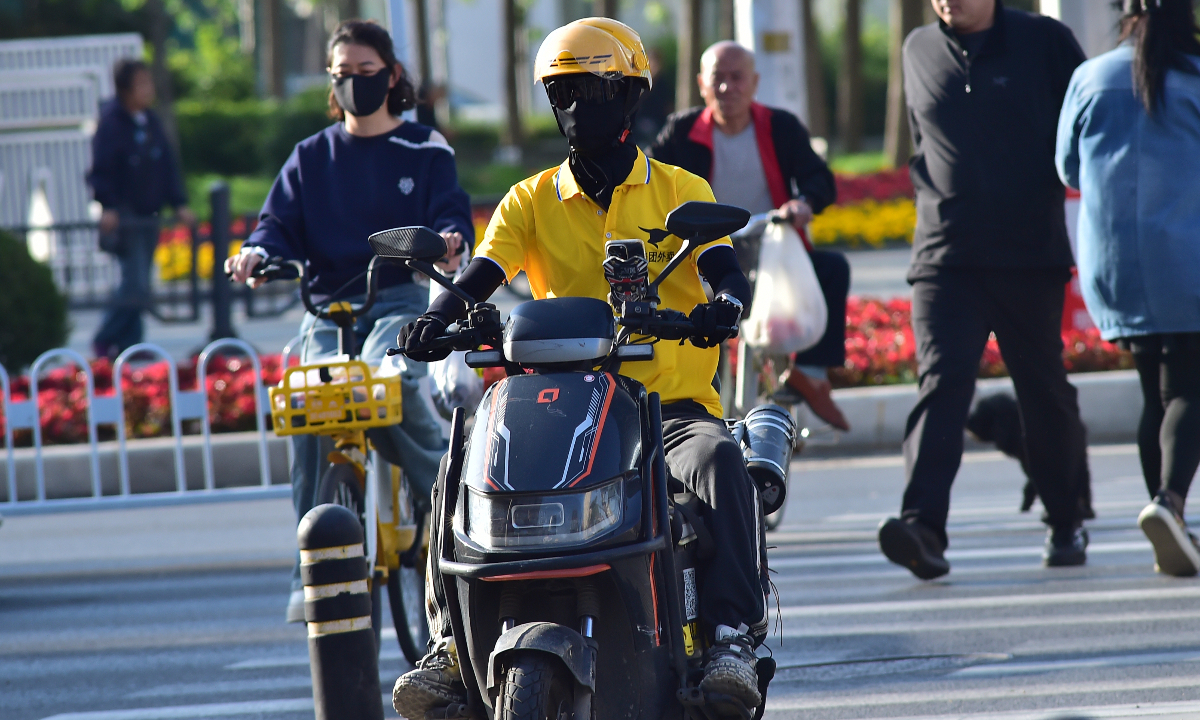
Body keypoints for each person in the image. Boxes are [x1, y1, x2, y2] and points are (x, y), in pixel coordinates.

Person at [391, 17, 766, 718]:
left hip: (669, 412)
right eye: (561, 92)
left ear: (629, 98)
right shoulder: (529, 198)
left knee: (720, 462)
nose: (575, 108)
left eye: (593, 90)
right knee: (459, 462)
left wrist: (723, 305)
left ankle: (729, 638)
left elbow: (725, 272)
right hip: (562, 411)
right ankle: (448, 644)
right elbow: (480, 273)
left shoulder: (680, 187)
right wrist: (437, 318)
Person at [224, 19, 473, 621]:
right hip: (325, 312)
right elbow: (275, 225)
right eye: (342, 75)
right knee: (311, 406)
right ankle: (307, 568)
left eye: (366, 72)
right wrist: (258, 253)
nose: (354, 84)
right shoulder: (310, 156)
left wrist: (447, 241)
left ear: (391, 76)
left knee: (391, 381)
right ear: (331, 84)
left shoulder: (425, 147)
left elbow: (451, 216)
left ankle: (449, 509)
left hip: (395, 304)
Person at [877, 0, 1092, 579]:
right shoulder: (917, 48)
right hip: (945, 260)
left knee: (1043, 389)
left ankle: (1067, 516)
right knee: (941, 384)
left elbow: (1088, 125)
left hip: (1029, 257)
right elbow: (924, 145)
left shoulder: (1045, 41)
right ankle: (923, 527)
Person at [1056, 0, 1200, 577]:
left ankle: (1170, 519)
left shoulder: (1090, 77)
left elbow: (1068, 167)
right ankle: (1169, 502)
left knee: (1153, 391)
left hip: (1116, 262)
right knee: (1188, 386)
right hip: (1187, 255)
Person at [647, 41, 848, 431]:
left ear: (754, 83)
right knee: (697, 316)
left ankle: (810, 373)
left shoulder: (781, 126)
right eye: (717, 79)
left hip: (771, 249)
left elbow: (819, 180)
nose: (727, 88)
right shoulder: (681, 131)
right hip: (700, 255)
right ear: (702, 84)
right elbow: (648, 178)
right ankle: (698, 408)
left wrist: (803, 203)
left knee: (833, 268)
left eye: (737, 78)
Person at [88, 58, 195, 359]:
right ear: (125, 89)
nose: (148, 90)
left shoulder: (150, 120)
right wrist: (107, 205)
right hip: (125, 217)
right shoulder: (111, 122)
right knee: (133, 282)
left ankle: (131, 345)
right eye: (142, 84)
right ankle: (106, 336)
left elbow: (167, 166)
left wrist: (179, 203)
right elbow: (101, 169)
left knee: (142, 283)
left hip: (149, 215)